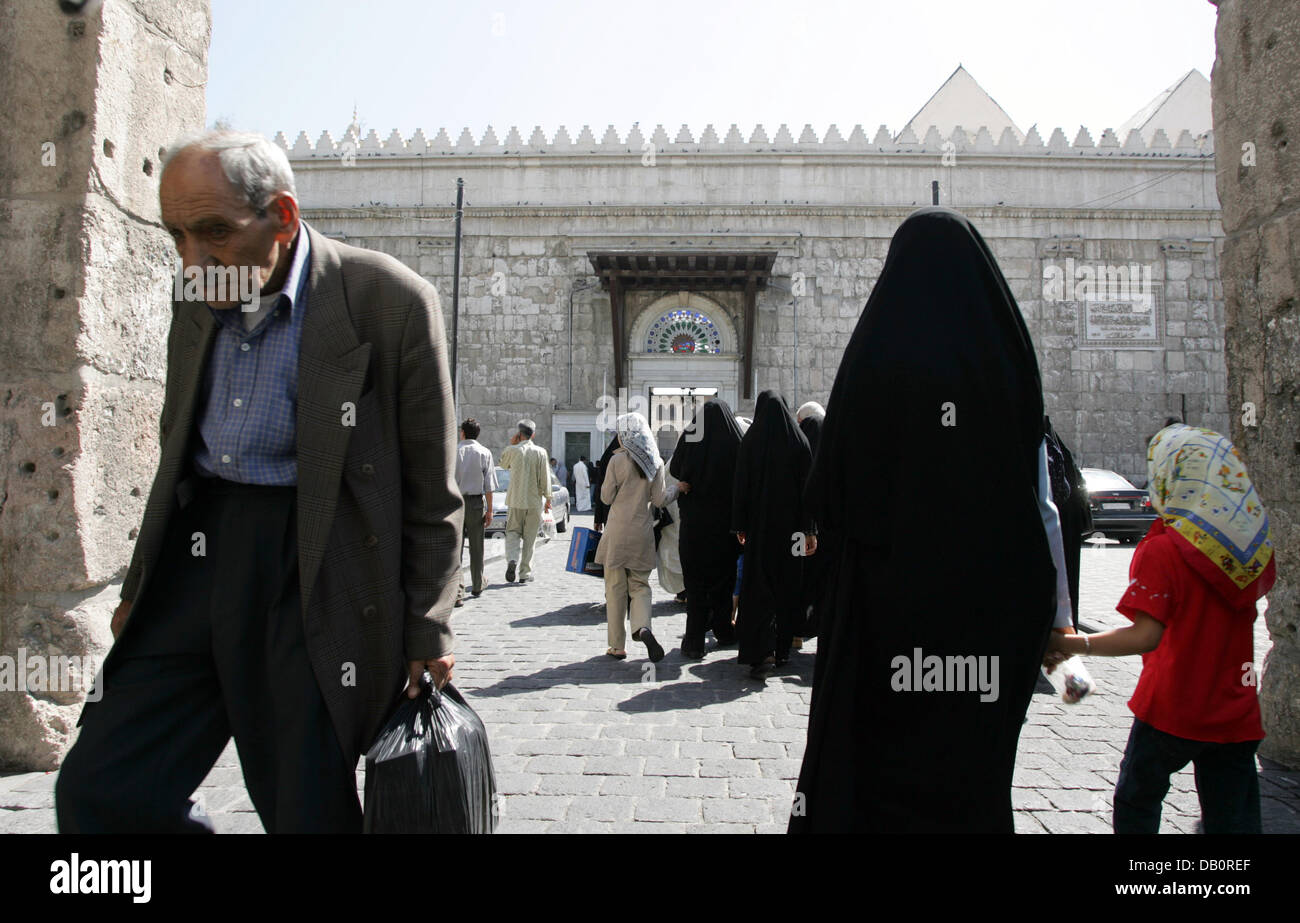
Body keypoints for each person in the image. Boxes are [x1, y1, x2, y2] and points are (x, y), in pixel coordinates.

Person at [56, 131, 462, 834]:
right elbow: (175, 448)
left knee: (306, 807)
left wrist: (428, 625)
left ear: (283, 215)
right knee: (100, 788)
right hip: (195, 559)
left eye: (214, 232)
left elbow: (432, 490)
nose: (193, 260)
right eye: (177, 236)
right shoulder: (196, 296)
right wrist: (139, 588)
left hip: (313, 566)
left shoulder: (389, 301)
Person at [790, 207, 1062, 833]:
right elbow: (1037, 492)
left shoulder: (879, 353)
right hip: (992, 610)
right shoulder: (1008, 359)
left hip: (888, 611)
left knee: (886, 773)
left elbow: (826, 488)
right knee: (971, 777)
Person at [1047, 423, 1275, 834]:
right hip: (1236, 712)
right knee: (1234, 817)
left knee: (1138, 800)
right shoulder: (1251, 549)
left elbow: (1145, 636)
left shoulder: (1164, 549)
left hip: (1172, 707)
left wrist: (1074, 644)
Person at [732, 390, 816, 678]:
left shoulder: (751, 442)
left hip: (760, 530)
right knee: (787, 585)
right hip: (792, 533)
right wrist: (809, 531)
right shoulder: (799, 442)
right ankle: (782, 649)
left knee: (760, 587)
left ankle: (762, 650)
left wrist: (740, 525)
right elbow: (809, 492)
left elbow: (740, 487)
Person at [669, 399, 745, 659]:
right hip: (726, 527)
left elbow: (676, 468)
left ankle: (693, 642)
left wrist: (691, 478)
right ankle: (723, 631)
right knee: (724, 581)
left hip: (694, 525)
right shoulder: (736, 439)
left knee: (696, 583)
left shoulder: (691, 436)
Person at [595, 413, 670, 662]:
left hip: (617, 531)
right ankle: (643, 627)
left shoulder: (616, 461)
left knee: (615, 589)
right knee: (640, 586)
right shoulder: (655, 462)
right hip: (642, 531)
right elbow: (659, 500)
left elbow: (605, 497)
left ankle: (617, 646)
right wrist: (676, 491)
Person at [499, 419, 551, 583]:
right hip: (534, 501)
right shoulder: (540, 452)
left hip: (515, 500)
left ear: (519, 434)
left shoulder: (512, 450)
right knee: (530, 538)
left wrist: (511, 444)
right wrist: (548, 498)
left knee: (512, 532)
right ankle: (524, 573)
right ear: (533, 434)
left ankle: (512, 559)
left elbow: (503, 465)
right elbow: (545, 478)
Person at [455, 418, 497, 603]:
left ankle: (457, 592)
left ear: (462, 432)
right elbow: (489, 486)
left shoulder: (454, 451)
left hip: (454, 503)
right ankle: (478, 583)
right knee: (477, 546)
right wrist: (489, 510)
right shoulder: (484, 452)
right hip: (475, 503)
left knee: (455, 549)